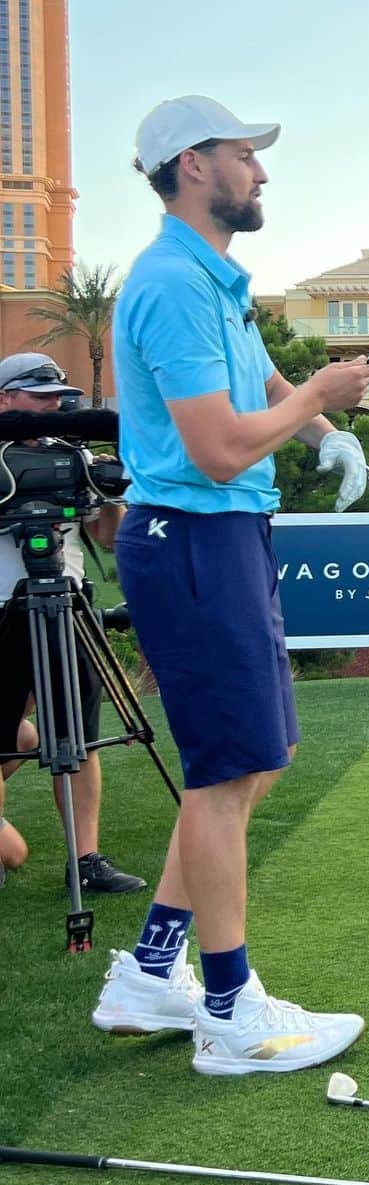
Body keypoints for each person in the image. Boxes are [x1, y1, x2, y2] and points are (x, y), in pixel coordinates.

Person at [90, 95, 369, 1075]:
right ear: (194, 164)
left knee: (254, 761)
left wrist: (327, 434)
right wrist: (317, 397)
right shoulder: (171, 281)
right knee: (223, 775)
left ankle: (152, 973)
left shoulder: (213, 281)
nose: (261, 171)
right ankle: (228, 1014)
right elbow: (216, 448)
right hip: (192, 535)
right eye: (245, 155)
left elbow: (256, 388)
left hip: (221, 538)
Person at [0, 353, 146, 895]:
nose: (52, 406)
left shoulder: (72, 456)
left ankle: (85, 858)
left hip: (67, 602)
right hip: (2, 608)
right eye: (37, 396)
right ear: (5, 400)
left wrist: (111, 491)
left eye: (57, 397)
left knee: (79, 739)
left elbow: (109, 536)